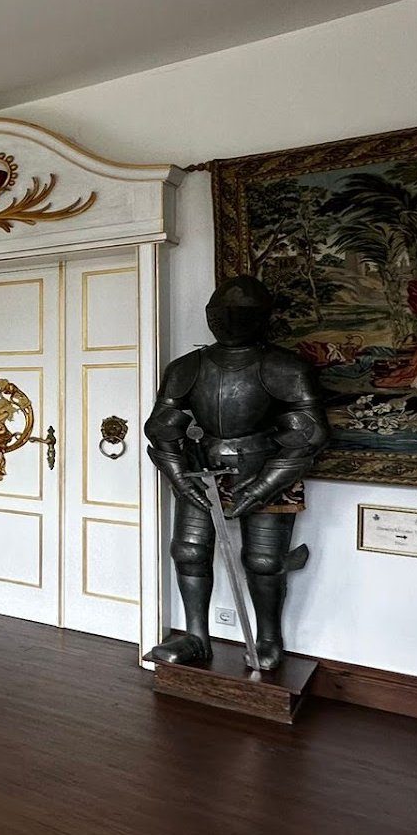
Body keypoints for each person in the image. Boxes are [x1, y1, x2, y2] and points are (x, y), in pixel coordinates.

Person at [144, 276, 329, 671]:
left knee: (263, 560)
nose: (229, 320)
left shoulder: (284, 366)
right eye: (222, 313)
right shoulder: (186, 367)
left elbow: (309, 433)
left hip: (265, 466)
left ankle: (268, 640)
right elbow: (162, 427)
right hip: (201, 469)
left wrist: (262, 487)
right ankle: (196, 637)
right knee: (189, 552)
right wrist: (179, 477)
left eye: (240, 314)